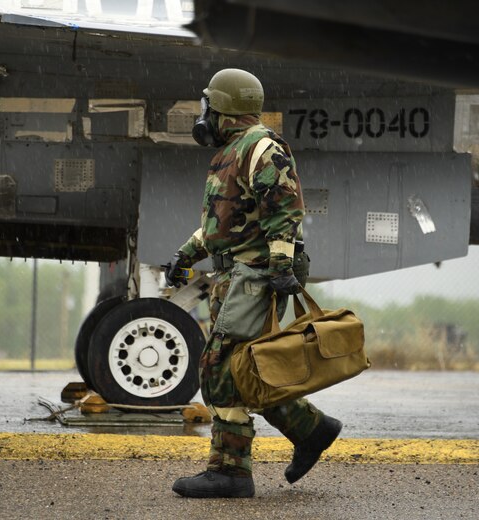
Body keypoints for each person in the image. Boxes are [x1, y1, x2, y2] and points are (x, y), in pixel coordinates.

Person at [165, 68, 342, 498]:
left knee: (221, 366)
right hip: (234, 274)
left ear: (224, 108)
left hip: (254, 276)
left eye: (209, 104)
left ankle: (230, 471)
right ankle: (311, 429)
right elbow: (225, 224)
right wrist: (185, 255)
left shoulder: (261, 146)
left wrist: (280, 266)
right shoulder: (233, 152)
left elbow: (285, 208)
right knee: (247, 369)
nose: (203, 112)